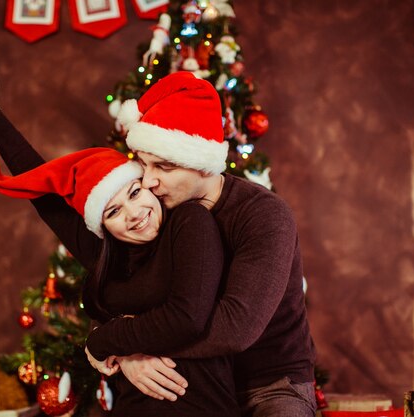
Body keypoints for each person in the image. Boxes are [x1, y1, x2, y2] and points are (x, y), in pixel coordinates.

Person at [0, 67, 239, 417]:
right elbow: (43, 191)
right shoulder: (107, 252)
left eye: (135, 193)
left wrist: (102, 340)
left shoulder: (189, 223)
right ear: (101, 225)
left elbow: (187, 318)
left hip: (199, 407)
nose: (134, 213)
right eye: (114, 211)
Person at [83, 71, 318, 417]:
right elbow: (117, 288)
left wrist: (129, 345)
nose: (148, 181)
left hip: (268, 384)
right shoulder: (154, 208)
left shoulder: (265, 215)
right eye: (144, 164)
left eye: (163, 166)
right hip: (192, 379)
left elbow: (235, 328)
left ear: (203, 165)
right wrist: (120, 346)